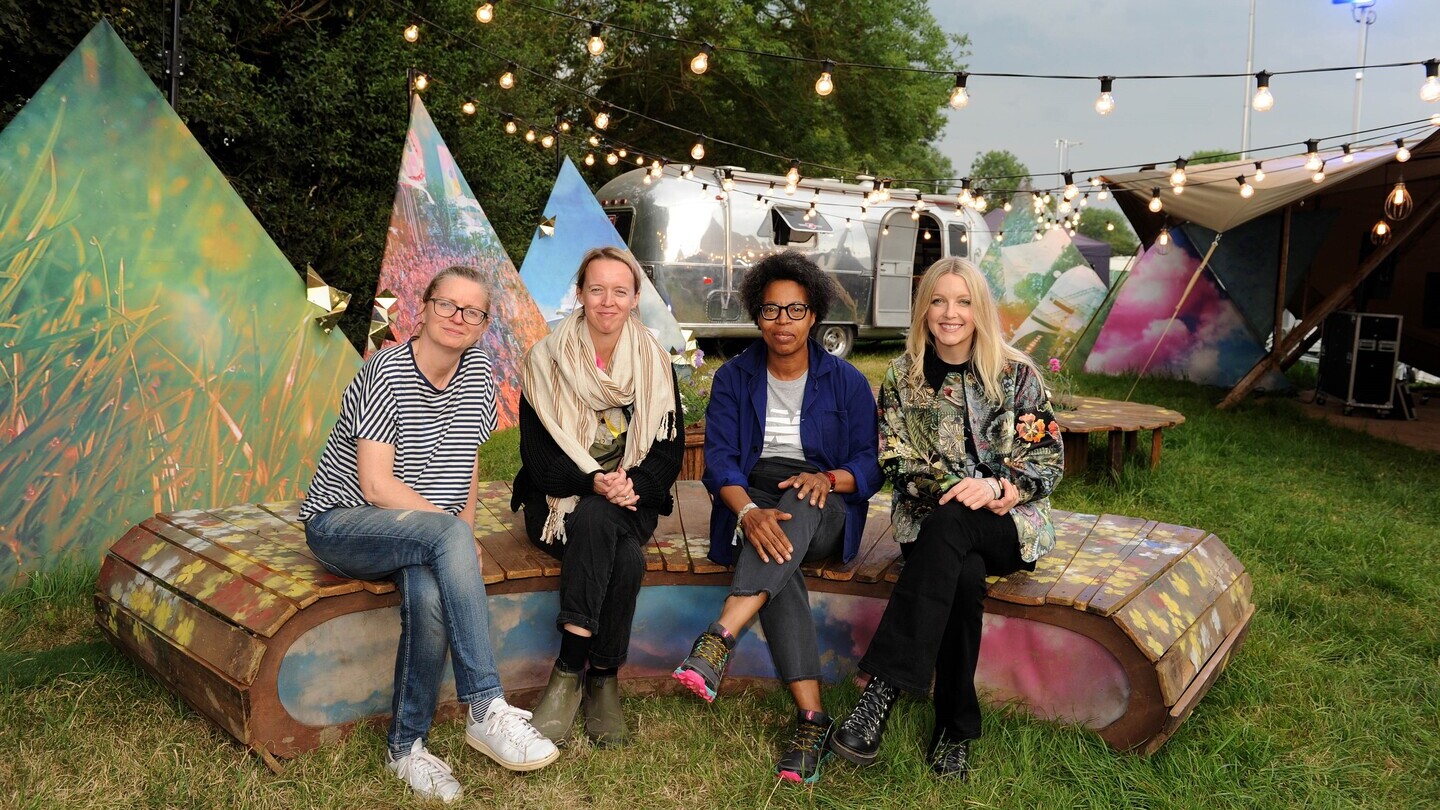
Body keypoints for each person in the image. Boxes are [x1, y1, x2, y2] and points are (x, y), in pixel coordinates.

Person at [300, 266, 558, 804]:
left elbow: (466, 467)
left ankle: (405, 747)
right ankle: (486, 705)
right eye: (447, 305)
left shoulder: (480, 374)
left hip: (419, 534)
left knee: (429, 592)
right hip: (344, 523)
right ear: (424, 306)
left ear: (483, 324)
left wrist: (459, 541)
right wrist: (451, 537)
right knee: (443, 545)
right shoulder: (386, 371)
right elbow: (374, 485)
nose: (457, 317)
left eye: (473, 311)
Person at [827, 257, 1063, 779]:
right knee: (963, 574)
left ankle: (881, 692)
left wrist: (999, 487)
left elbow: (1047, 461)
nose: (949, 313)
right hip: (929, 523)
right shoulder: (902, 376)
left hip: (1008, 520)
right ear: (923, 309)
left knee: (956, 527)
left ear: (979, 309)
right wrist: (955, 490)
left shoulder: (1017, 375)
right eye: (938, 300)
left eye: (962, 301)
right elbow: (894, 459)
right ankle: (954, 732)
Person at [672, 251, 881, 784]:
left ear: (814, 316)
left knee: (798, 505)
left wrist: (829, 478)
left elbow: (869, 466)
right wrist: (747, 514)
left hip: (825, 502)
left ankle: (720, 635)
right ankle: (812, 719)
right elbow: (718, 461)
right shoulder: (734, 378)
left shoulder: (849, 382)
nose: (782, 323)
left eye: (795, 311)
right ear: (756, 314)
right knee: (775, 550)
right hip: (754, 498)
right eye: (771, 310)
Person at [513, 246, 683, 748]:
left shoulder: (654, 361)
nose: (607, 301)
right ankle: (600, 678)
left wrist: (633, 484)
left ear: (635, 299)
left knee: (601, 519)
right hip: (555, 505)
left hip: (632, 499)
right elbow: (539, 459)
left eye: (620, 291)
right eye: (596, 289)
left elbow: (668, 451)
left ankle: (569, 674)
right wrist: (594, 480)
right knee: (615, 544)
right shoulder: (545, 360)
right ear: (580, 294)